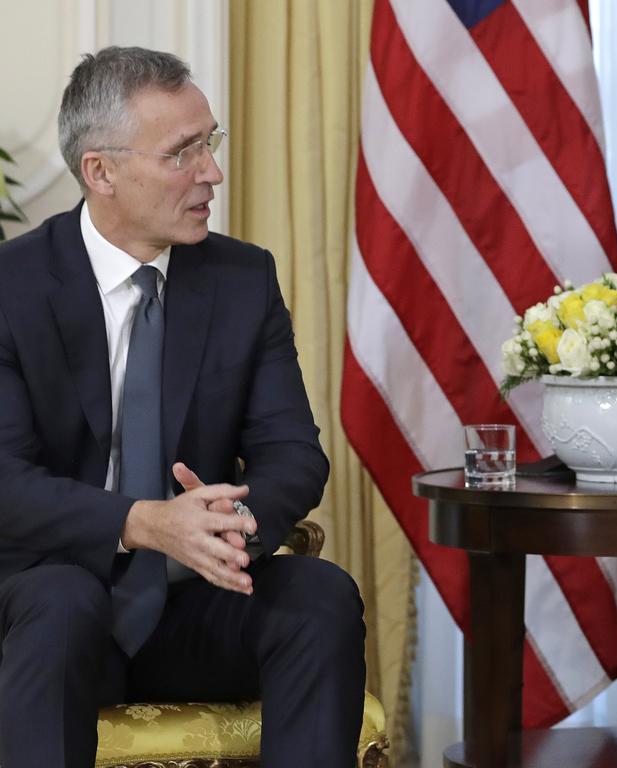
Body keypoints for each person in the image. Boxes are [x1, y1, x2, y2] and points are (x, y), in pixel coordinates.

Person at [0, 46, 365, 767]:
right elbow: (5, 482)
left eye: (211, 143)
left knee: (320, 597)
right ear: (100, 172)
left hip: (195, 602)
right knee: (61, 607)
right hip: (49, 605)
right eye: (183, 154)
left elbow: (293, 453)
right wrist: (143, 523)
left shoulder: (242, 278)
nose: (212, 173)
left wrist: (233, 522)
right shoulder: (12, 287)